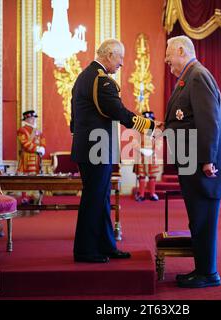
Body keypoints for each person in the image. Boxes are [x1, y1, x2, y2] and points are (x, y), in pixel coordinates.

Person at [70, 39, 159, 263]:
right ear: (109, 55)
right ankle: (85, 251)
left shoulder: (83, 77)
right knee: (94, 199)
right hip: (97, 150)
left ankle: (106, 245)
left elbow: (74, 122)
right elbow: (120, 113)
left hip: (90, 149)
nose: (121, 63)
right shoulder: (101, 81)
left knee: (100, 199)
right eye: (120, 57)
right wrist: (149, 127)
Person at [163, 36, 221, 288]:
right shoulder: (188, 76)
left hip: (201, 164)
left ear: (181, 50)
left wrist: (207, 159)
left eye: (168, 54)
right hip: (190, 162)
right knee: (198, 219)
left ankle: (208, 274)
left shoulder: (197, 75)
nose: (166, 60)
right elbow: (186, 119)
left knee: (203, 219)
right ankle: (202, 269)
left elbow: (210, 121)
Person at [17, 110, 46, 204]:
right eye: (31, 118)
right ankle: (24, 198)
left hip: (37, 158)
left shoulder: (38, 131)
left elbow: (43, 140)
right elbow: (25, 143)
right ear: (27, 119)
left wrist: (42, 148)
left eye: (34, 118)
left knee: (36, 177)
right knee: (25, 178)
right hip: (26, 157)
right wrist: (37, 148)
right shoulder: (22, 130)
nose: (33, 120)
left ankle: (35, 197)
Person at [134, 111, 161, 202]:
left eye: (150, 120)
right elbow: (135, 142)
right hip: (142, 156)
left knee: (152, 176)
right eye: (147, 120)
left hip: (152, 156)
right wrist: (140, 150)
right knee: (142, 176)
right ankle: (141, 195)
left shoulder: (156, 131)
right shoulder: (139, 131)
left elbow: (159, 143)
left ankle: (152, 194)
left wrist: (153, 150)